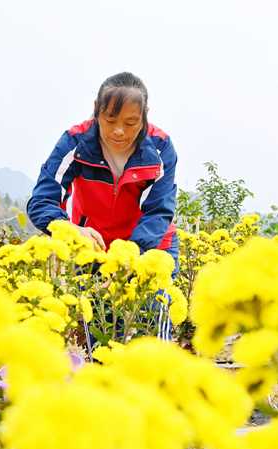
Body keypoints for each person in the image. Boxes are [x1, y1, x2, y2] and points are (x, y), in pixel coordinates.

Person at [27, 71, 179, 340]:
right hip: (94, 248)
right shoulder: (76, 142)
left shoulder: (160, 147)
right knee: (100, 336)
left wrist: (130, 260)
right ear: (97, 111)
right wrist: (71, 231)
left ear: (145, 115)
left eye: (131, 122)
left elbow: (158, 211)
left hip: (150, 247)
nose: (119, 131)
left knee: (153, 323)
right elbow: (43, 199)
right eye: (111, 120)